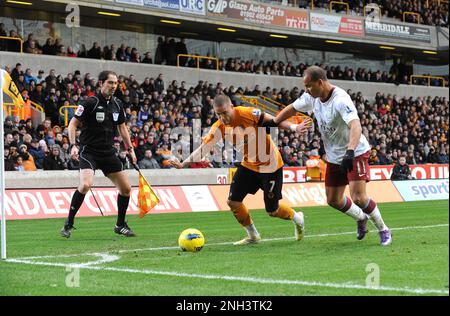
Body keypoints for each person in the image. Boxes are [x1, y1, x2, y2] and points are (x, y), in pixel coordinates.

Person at [271, 66, 392, 246]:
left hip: (355, 152)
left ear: (320, 82)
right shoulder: (311, 97)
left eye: (309, 86)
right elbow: (291, 109)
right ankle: (361, 218)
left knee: (358, 197)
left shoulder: (341, 100)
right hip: (334, 155)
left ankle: (383, 229)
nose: (306, 90)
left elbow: (356, 126)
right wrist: (274, 121)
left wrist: (350, 151)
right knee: (333, 200)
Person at [171, 94, 309, 245]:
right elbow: (203, 149)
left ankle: (297, 218)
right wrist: (183, 164)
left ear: (232, 107)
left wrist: (294, 127)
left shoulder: (247, 113)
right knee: (233, 202)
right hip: (248, 165)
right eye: (218, 114)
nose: (223, 117)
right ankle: (253, 235)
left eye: (225, 112)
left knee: (272, 211)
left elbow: (274, 121)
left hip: (271, 166)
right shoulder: (219, 127)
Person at [60, 70, 137, 238]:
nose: (113, 86)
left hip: (108, 152)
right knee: (86, 184)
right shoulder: (90, 102)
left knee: (126, 189)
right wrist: (73, 145)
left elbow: (123, 128)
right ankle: (69, 223)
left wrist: (130, 149)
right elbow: (72, 125)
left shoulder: (117, 104)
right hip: (89, 151)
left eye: (115, 83)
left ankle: (120, 224)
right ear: (101, 83)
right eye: (110, 82)